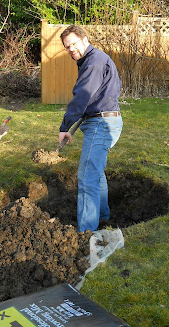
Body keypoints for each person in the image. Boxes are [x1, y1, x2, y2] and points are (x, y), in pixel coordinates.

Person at [59, 25, 123, 232]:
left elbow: (83, 96)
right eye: (67, 47)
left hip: (101, 124)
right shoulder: (95, 60)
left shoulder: (93, 62)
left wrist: (65, 126)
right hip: (104, 120)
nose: (70, 49)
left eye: (73, 44)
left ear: (85, 39)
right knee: (96, 172)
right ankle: (102, 216)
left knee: (87, 177)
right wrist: (75, 126)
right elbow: (94, 100)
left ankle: (86, 232)